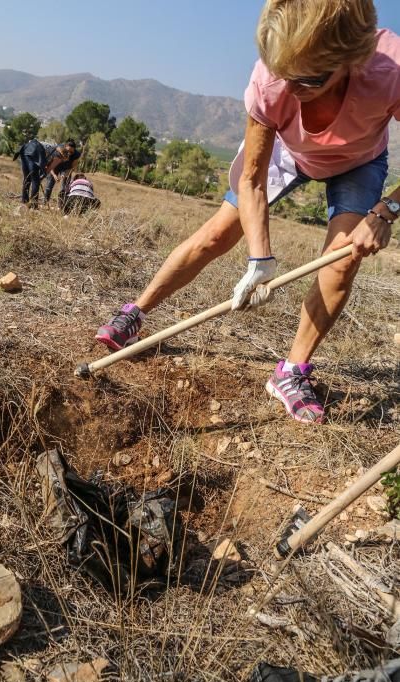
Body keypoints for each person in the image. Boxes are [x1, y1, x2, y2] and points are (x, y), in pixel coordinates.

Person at [96, 0, 400, 425]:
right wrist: (261, 260)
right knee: (219, 232)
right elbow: (252, 180)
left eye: (308, 80)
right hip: (285, 152)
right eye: (284, 75)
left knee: (344, 257)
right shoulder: (273, 79)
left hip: (359, 159)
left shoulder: (391, 70)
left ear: (354, 58)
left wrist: (387, 210)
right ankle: (136, 313)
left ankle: (292, 372)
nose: (290, 89)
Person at [15, 139, 76, 209]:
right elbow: (48, 170)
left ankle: (24, 201)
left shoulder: (54, 147)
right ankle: (33, 205)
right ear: (65, 157)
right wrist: (40, 178)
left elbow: (46, 166)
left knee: (27, 178)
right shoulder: (59, 157)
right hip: (34, 152)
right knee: (35, 181)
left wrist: (41, 176)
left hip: (25, 149)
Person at [43, 141, 81, 207]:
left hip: (66, 169)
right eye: (67, 151)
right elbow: (49, 165)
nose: (69, 153)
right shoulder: (58, 150)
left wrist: (65, 174)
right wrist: (54, 175)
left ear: (74, 150)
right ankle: (45, 203)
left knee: (65, 188)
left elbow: (73, 167)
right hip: (55, 168)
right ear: (65, 147)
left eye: (71, 152)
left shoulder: (76, 154)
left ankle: (62, 205)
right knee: (49, 185)